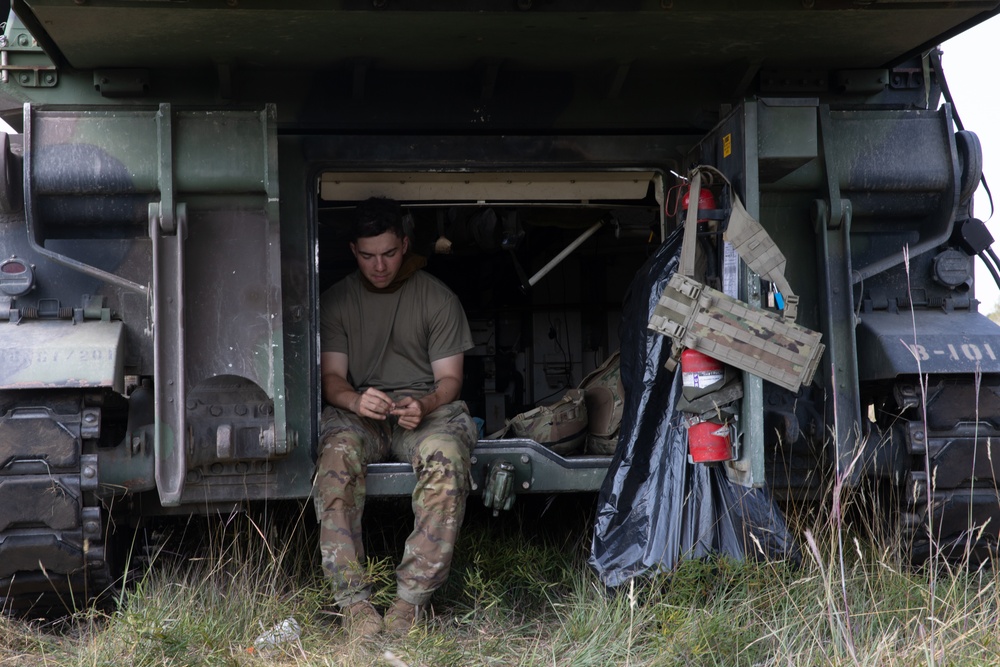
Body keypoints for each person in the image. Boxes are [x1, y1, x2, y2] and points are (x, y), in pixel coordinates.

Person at [315, 196, 476, 640]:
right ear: (353, 250)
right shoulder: (337, 301)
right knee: (336, 457)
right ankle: (355, 605)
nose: (379, 265)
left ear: (405, 245)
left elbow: (450, 380)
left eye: (388, 253)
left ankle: (410, 604)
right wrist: (354, 400)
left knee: (446, 456)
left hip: (423, 412)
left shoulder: (436, 299)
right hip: (361, 412)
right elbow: (331, 378)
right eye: (368, 256)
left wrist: (423, 405)